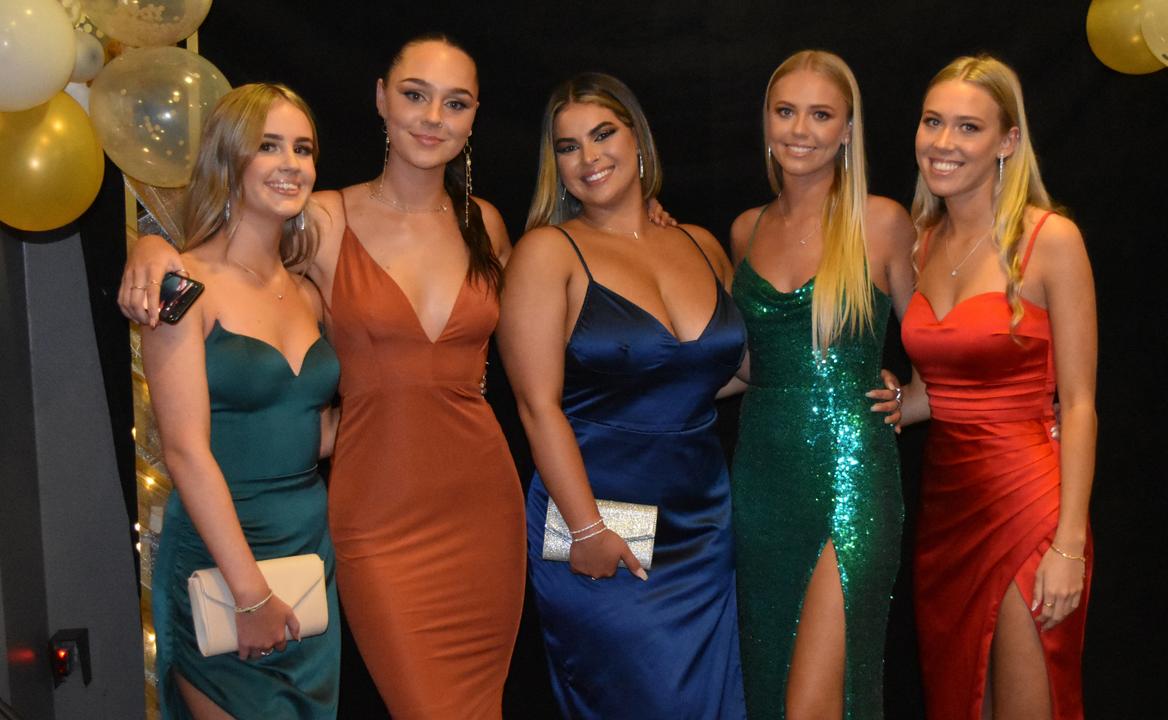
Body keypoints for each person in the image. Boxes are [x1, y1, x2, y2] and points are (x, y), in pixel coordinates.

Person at [121, 35, 526, 719]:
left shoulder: (484, 223)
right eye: (414, 94)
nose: (433, 117)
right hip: (377, 515)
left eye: (454, 103)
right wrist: (153, 249)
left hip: (482, 504)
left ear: (474, 116)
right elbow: (229, 231)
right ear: (380, 99)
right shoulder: (324, 218)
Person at [498, 72, 749, 719]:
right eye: (568, 145)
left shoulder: (700, 243)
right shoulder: (546, 252)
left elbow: (731, 371)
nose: (589, 157)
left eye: (603, 133)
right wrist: (586, 527)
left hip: (705, 527)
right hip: (601, 522)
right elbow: (535, 405)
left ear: (637, 138)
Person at [893, 55, 1096, 720]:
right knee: (959, 700)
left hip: (1027, 504)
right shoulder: (921, 243)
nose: (943, 142)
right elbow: (941, 387)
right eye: (933, 122)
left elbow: (1082, 403)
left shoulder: (1050, 239)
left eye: (968, 127)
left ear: (1008, 141)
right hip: (947, 509)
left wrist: (1068, 544)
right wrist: (889, 404)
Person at [142, 82, 341, 719]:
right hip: (222, 565)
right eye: (269, 147)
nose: (292, 164)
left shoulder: (309, 291)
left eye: (303, 148)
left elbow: (317, 426)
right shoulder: (181, 284)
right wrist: (249, 593)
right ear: (229, 160)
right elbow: (184, 451)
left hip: (309, 556)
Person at [727, 50, 915, 719]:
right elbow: (740, 365)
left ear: (847, 129)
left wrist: (912, 395)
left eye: (820, 113)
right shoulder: (745, 229)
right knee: (773, 687)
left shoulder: (881, 222)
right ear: (767, 120)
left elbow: (941, 343)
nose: (799, 129)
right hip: (761, 479)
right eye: (785, 111)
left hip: (852, 479)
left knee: (818, 699)